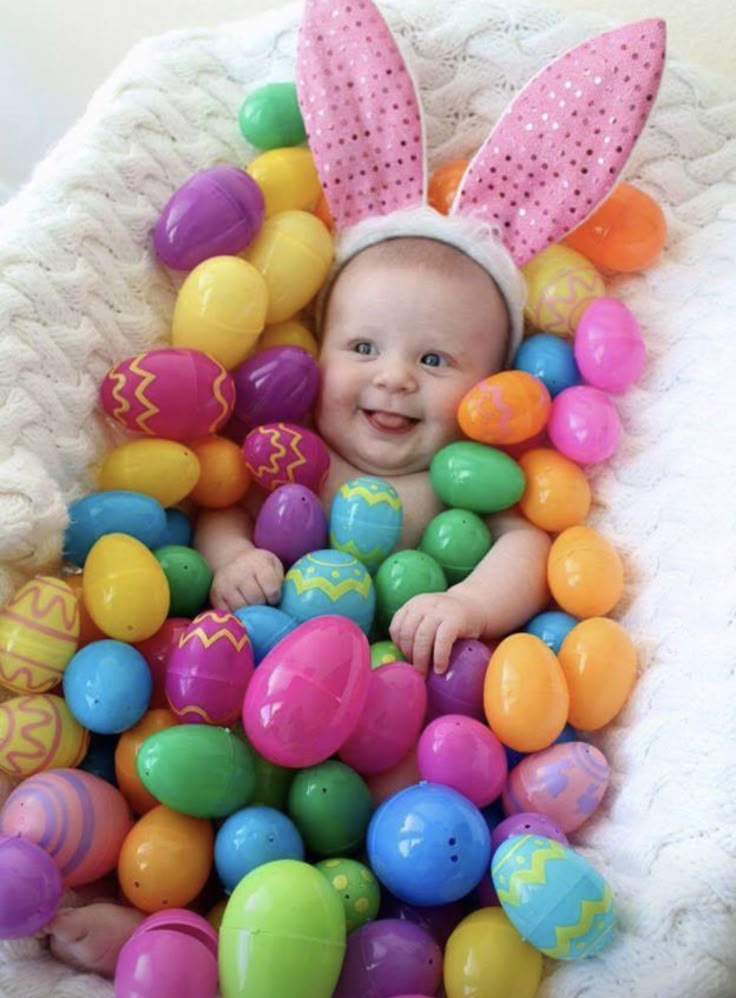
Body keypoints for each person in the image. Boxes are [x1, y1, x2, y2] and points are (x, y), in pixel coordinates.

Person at [196, 235, 551, 675]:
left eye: (434, 359)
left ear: (490, 388)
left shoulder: (467, 482)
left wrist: (469, 603)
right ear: (319, 355)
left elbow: (529, 548)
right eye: (364, 348)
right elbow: (222, 507)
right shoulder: (296, 458)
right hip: (271, 667)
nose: (394, 377)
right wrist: (232, 559)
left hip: (407, 681)